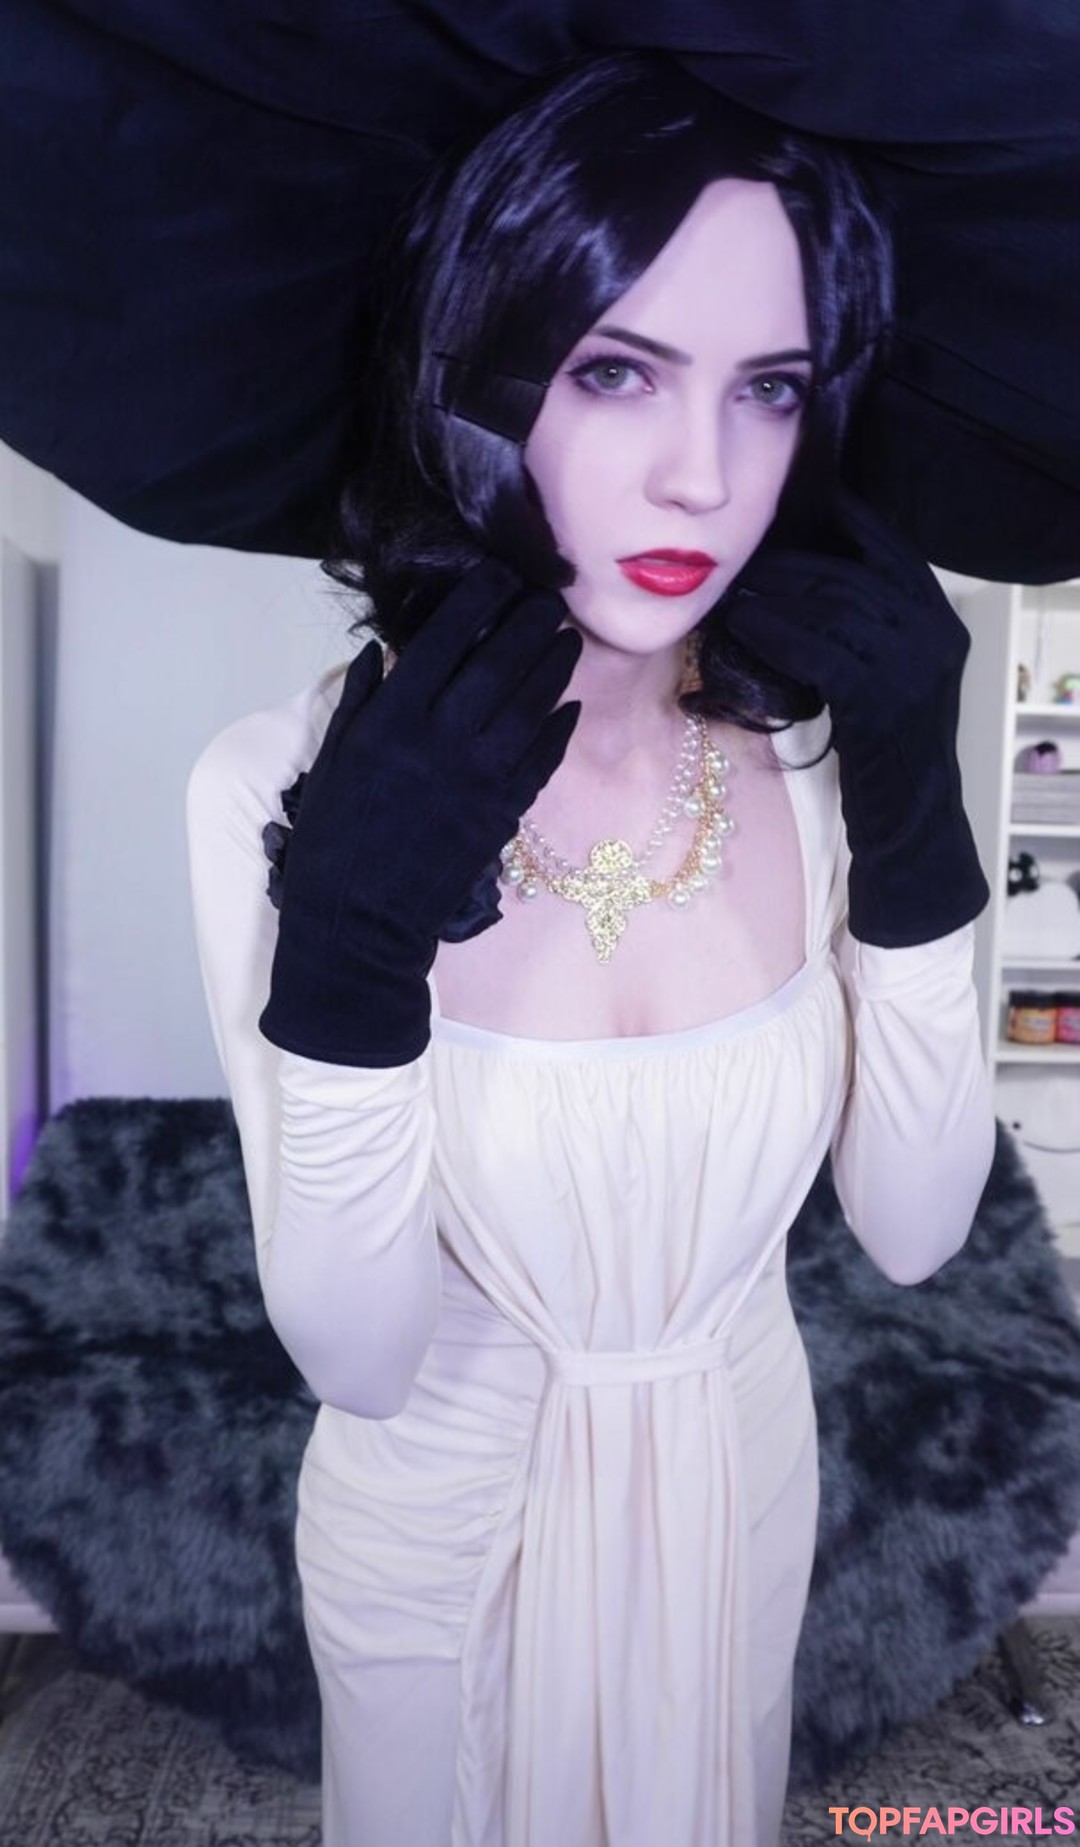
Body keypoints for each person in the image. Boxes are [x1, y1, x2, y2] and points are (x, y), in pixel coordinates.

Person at [187, 52, 994, 1847]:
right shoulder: (275, 786)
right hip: (441, 1546)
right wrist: (352, 945)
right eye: (615, 370)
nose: (704, 477)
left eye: (768, 388)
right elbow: (362, 1361)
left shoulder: (813, 759)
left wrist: (912, 800)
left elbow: (918, 1230)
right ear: (473, 377)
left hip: (734, 1491)